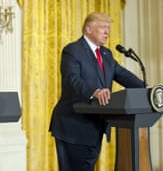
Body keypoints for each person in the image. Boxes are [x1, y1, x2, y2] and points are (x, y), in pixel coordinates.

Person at [49, 12, 145, 171]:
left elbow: (123, 75)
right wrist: (94, 91)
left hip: (95, 127)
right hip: (73, 127)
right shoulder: (72, 50)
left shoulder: (106, 54)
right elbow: (72, 79)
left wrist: (148, 89)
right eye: (103, 28)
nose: (107, 32)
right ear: (88, 29)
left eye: (108, 28)